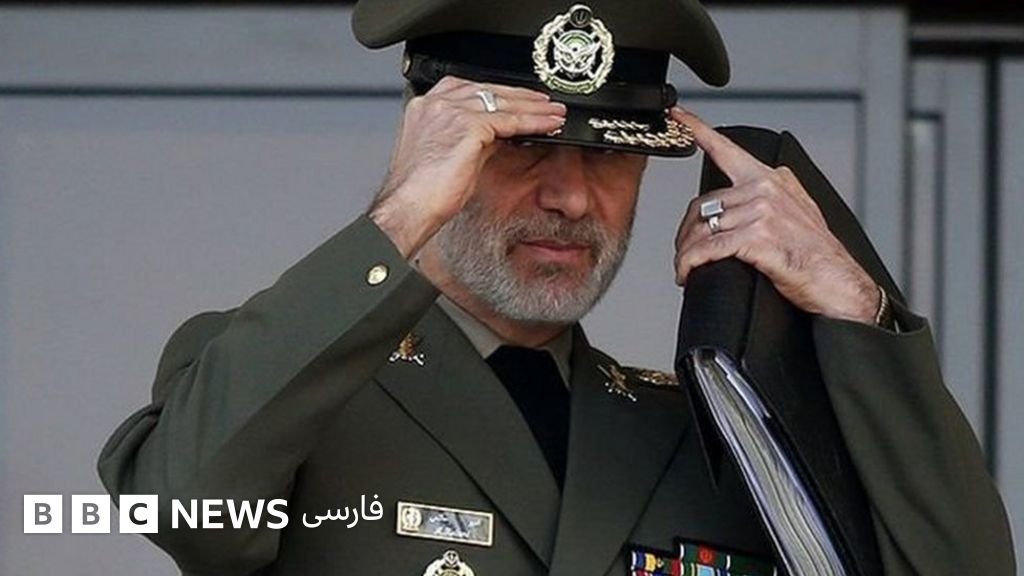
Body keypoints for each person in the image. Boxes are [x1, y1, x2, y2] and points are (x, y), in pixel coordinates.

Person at [98, 1, 1015, 575]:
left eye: (609, 156)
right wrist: (398, 216)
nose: (571, 198)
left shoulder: (702, 430)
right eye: (525, 146)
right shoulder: (287, 383)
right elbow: (185, 508)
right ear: (437, 144)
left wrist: (854, 307)